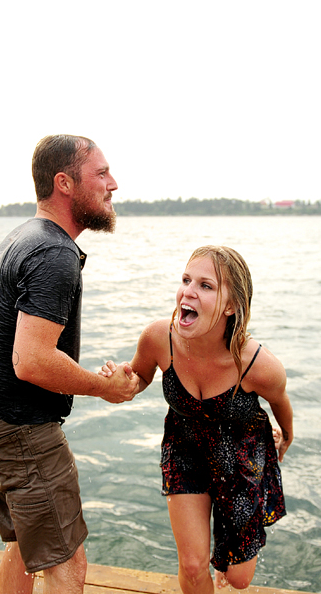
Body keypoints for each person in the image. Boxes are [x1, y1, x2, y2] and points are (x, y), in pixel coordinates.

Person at [0, 134, 140, 594]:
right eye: (100, 173)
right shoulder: (54, 252)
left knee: (24, 546)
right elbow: (32, 361)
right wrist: (105, 388)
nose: (112, 184)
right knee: (66, 560)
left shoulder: (23, 237)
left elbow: (24, 353)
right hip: (17, 430)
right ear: (64, 183)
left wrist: (82, 378)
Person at [101, 245, 293, 593]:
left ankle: (229, 569)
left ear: (231, 305)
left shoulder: (257, 364)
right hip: (184, 450)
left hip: (241, 462)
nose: (188, 291)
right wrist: (124, 381)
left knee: (238, 579)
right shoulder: (160, 338)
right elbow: (139, 376)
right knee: (192, 565)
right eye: (187, 280)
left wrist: (286, 439)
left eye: (206, 285)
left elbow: (280, 402)